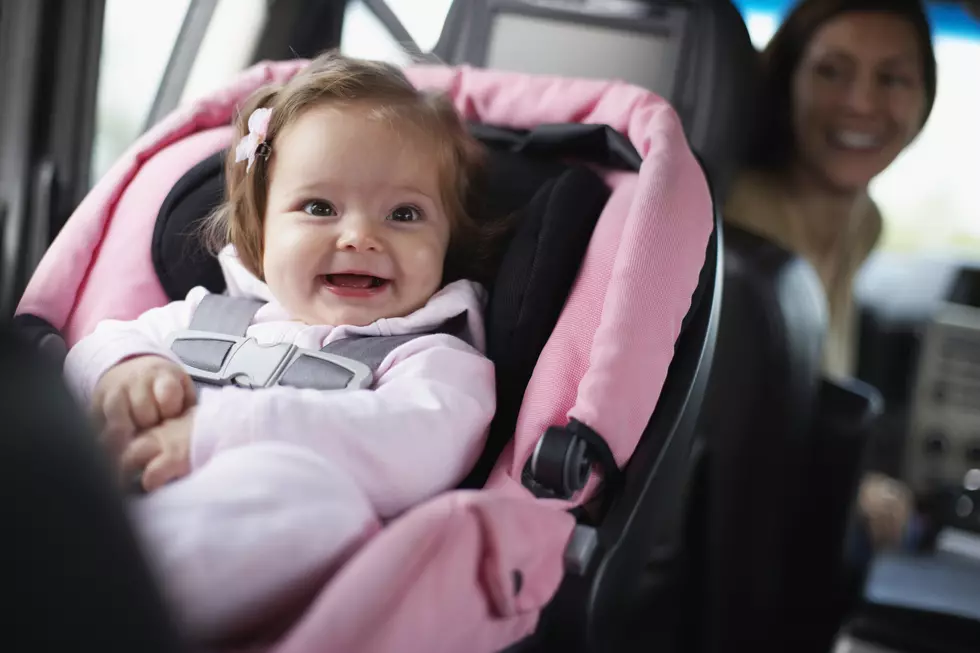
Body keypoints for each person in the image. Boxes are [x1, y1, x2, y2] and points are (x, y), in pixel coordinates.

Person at [62, 51, 497, 644]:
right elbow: (95, 344)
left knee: (318, 499)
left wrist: (210, 432)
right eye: (319, 208)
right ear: (261, 230)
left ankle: (98, 609)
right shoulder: (206, 315)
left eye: (404, 213)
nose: (360, 236)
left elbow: (418, 447)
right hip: (115, 506)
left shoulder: (435, 359)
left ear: (448, 240)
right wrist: (126, 368)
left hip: (263, 545)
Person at [724, 0, 937, 551]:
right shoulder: (736, 232)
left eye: (892, 78)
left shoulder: (865, 225)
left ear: (925, 100)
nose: (861, 102)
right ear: (787, 80)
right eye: (830, 71)